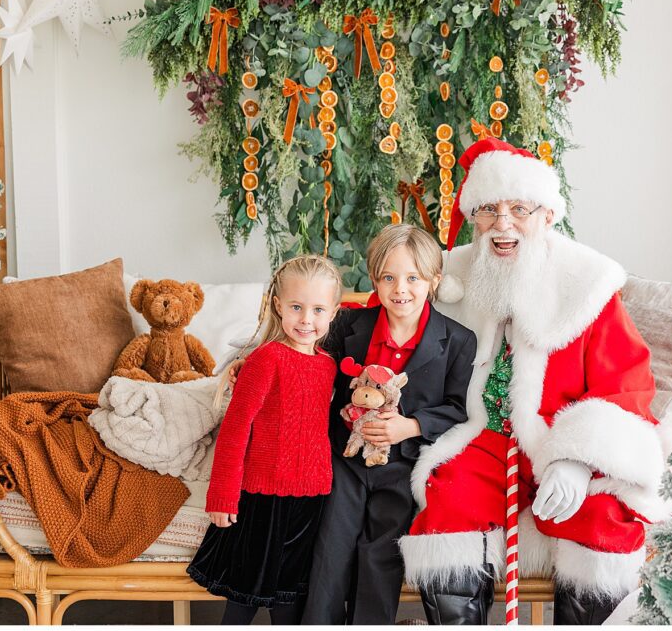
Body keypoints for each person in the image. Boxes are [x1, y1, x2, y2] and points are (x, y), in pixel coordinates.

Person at [399, 137, 672, 624]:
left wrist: (579, 460)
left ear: (547, 215)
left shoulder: (587, 283)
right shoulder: (448, 276)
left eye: (519, 209)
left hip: (562, 442)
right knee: (449, 504)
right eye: (489, 209)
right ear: (473, 216)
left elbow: (627, 387)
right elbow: (388, 322)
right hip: (482, 439)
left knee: (603, 520)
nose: (503, 223)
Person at [300, 223, 477, 625]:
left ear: (434, 280)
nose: (401, 289)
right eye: (389, 278)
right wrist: (247, 362)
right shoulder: (348, 326)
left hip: (403, 466)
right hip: (345, 460)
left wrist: (410, 426)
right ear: (375, 280)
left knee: (380, 554)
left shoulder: (458, 340)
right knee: (330, 549)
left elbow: (457, 408)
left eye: (413, 278)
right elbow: (304, 354)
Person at [187, 255, 342, 625]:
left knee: (289, 598)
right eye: (296, 307)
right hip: (263, 497)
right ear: (278, 305)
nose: (306, 319)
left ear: (334, 313)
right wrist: (223, 495)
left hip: (311, 498)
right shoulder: (265, 360)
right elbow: (235, 428)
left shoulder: (329, 365)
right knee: (246, 596)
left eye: (318, 310)